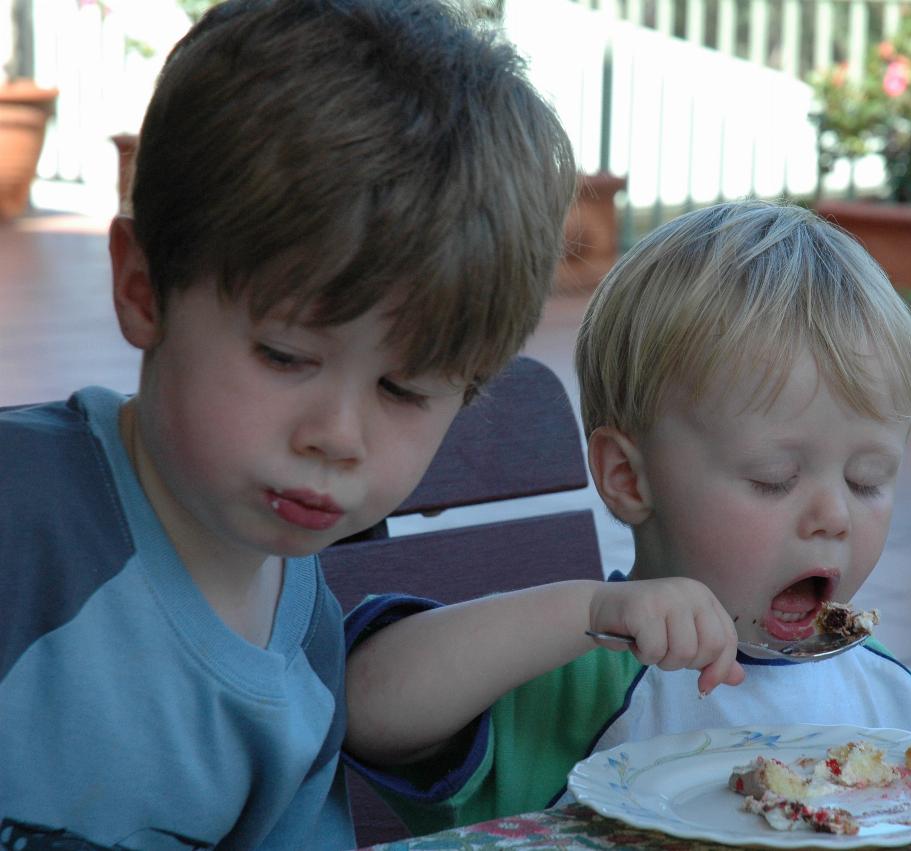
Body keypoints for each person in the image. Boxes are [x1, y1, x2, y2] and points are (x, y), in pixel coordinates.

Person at [0, 0, 618, 846]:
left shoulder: (306, 646)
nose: (339, 434)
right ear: (144, 289)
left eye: (404, 389)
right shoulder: (21, 516)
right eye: (286, 355)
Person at [342, 200, 911, 835]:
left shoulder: (894, 702)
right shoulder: (578, 675)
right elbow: (366, 704)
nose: (832, 514)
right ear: (628, 476)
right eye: (774, 476)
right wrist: (586, 611)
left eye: (868, 479)